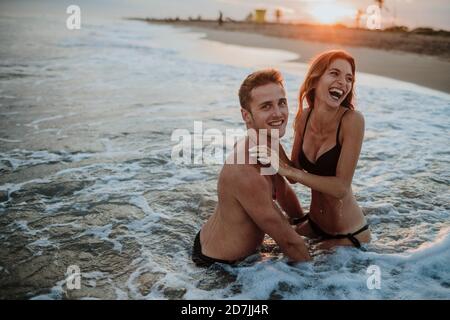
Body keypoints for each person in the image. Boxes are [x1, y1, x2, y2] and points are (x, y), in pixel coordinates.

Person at [252, 50, 370, 250]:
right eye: (334, 74)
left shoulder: (352, 121)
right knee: (266, 251)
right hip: (315, 224)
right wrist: (268, 134)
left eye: (349, 78)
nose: (343, 82)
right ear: (315, 80)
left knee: (300, 269)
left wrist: (290, 171)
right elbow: (292, 174)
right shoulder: (304, 117)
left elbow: (341, 188)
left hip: (349, 234)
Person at [192, 69, 311, 267]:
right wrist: (323, 282)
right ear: (246, 115)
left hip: (221, 241)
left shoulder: (267, 139)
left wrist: (301, 221)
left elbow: (282, 189)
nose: (278, 113)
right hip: (220, 265)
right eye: (266, 106)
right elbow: (290, 243)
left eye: (281, 102)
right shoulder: (246, 172)